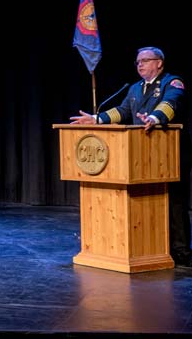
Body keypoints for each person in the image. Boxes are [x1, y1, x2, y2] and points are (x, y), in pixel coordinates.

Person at [70, 46, 190, 267]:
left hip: (168, 154)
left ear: (159, 63)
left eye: (145, 60)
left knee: (175, 202)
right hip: (141, 154)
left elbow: (172, 103)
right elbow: (123, 112)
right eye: (137, 62)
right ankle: (151, 246)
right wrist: (96, 119)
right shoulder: (134, 88)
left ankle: (181, 251)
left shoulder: (172, 82)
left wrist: (154, 118)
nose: (140, 65)